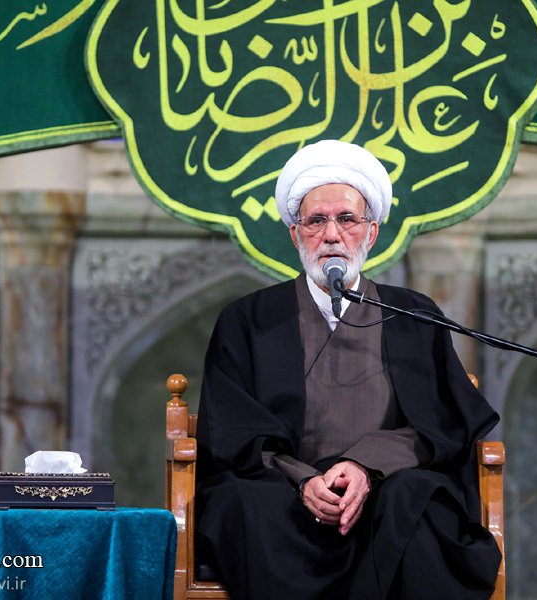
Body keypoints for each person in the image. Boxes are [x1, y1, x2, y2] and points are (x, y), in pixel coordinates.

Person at [195, 140, 502, 600]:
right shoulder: (248, 320)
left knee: (418, 500)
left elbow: (442, 422)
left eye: (346, 219)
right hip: (285, 495)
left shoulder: (413, 315)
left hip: (386, 490)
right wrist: (304, 481)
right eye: (316, 221)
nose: (332, 235)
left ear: (371, 233)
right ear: (296, 235)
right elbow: (232, 432)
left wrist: (366, 466)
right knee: (244, 504)